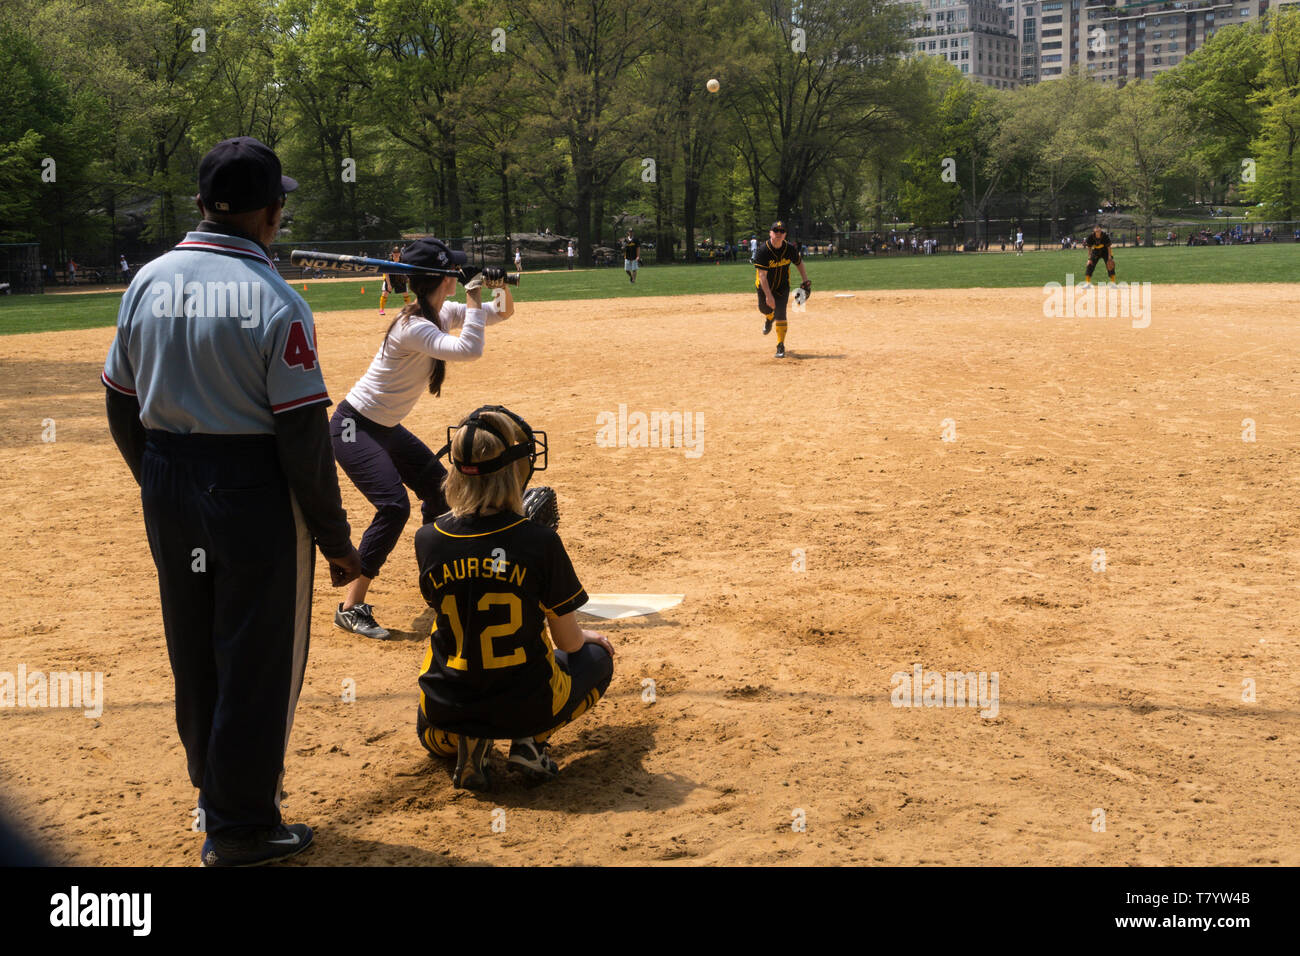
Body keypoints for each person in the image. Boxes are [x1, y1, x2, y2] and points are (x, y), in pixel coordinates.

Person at [102, 136, 362, 867]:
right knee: (256, 656)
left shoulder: (147, 279)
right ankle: (242, 826)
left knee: (194, 647)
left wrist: (159, 481)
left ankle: (211, 792)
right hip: (251, 489)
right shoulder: (279, 301)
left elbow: (120, 401)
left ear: (199, 204)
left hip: (168, 476)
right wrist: (336, 538)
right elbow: (302, 439)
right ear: (272, 213)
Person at [413, 406, 614, 790]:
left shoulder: (428, 538)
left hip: (442, 726)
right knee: (596, 658)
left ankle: (472, 743)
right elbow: (569, 643)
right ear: (514, 471)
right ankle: (529, 743)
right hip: (527, 710)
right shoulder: (540, 542)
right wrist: (586, 636)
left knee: (446, 635)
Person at [330, 238, 514, 640]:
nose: (460, 276)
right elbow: (470, 349)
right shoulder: (412, 326)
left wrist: (499, 287)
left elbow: (501, 313)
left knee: (441, 492)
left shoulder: (440, 312)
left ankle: (440, 577)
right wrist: (474, 291)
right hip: (354, 427)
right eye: (455, 271)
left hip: (385, 427)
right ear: (443, 278)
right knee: (393, 506)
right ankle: (350, 606)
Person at [754, 219, 810, 360]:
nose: (778, 233)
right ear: (770, 233)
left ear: (785, 234)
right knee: (764, 308)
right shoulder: (763, 250)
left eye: (782, 231)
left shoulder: (789, 249)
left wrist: (805, 280)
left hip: (782, 286)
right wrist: (768, 296)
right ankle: (769, 317)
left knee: (781, 313)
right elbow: (762, 276)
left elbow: (799, 262)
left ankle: (780, 345)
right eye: (776, 231)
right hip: (764, 286)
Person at [379, 246, 412, 316]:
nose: (396, 254)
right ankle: (381, 310)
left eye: (397, 252)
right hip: (390, 278)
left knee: (405, 293)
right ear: (392, 253)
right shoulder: (389, 261)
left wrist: (407, 278)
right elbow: (386, 273)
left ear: (400, 253)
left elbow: (407, 270)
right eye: (394, 253)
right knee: (385, 293)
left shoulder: (403, 260)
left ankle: (409, 310)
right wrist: (388, 284)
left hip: (400, 278)